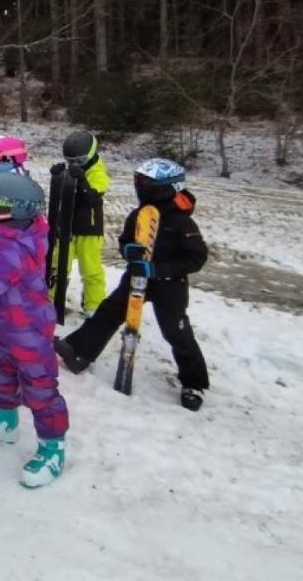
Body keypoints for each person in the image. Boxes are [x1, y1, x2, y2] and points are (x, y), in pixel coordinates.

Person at [55, 158, 210, 411]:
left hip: (170, 284)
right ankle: (78, 350)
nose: (139, 187)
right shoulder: (139, 215)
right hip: (137, 278)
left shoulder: (182, 222)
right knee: (109, 311)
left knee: (175, 330)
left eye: (144, 183)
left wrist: (159, 269)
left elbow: (196, 257)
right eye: (138, 182)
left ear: (164, 187)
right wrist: (130, 251)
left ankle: (194, 382)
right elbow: (125, 240)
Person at [0, 170, 68, 488]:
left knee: (40, 388)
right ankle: (5, 421)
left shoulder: (11, 250)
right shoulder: (21, 234)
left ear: (11, 209)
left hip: (28, 331)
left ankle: (53, 447)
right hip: (10, 325)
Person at [49, 131, 110, 317]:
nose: (74, 165)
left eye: (79, 161)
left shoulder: (99, 172)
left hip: (88, 230)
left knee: (91, 269)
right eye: (70, 161)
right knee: (58, 265)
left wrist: (81, 178)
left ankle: (94, 305)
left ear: (90, 155)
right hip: (66, 226)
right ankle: (52, 299)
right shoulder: (73, 169)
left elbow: (91, 197)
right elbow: (61, 197)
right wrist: (58, 177)